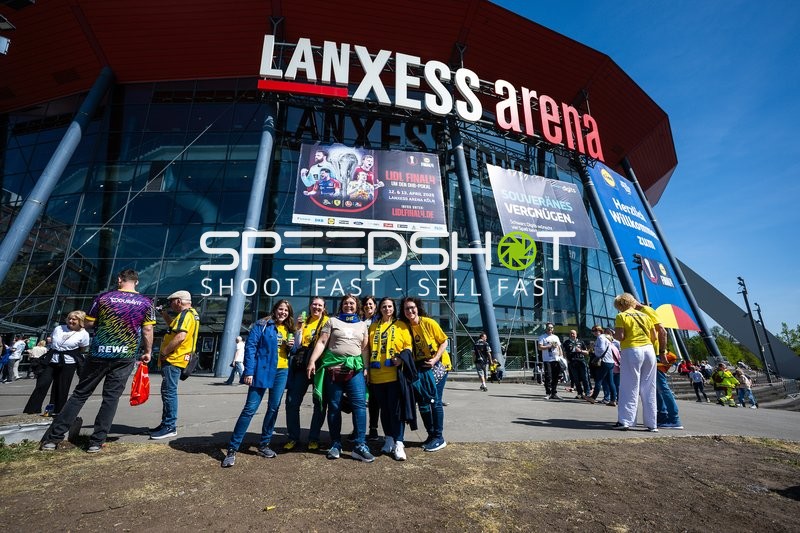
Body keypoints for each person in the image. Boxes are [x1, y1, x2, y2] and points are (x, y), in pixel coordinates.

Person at [41, 269, 155, 453]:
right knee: (111, 398)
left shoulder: (103, 298)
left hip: (99, 353)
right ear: (137, 282)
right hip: (124, 354)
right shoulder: (145, 302)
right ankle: (96, 442)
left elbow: (89, 323)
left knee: (80, 394)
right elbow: (148, 330)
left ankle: (52, 439)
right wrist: (148, 351)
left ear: (119, 279)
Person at [221, 300, 295, 468]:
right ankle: (232, 448)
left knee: (274, 408)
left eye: (286, 310)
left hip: (281, 372)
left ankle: (264, 445)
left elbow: (292, 351)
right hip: (262, 371)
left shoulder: (289, 328)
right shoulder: (262, 324)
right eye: (280, 309)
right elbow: (251, 348)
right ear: (275, 309)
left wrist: (291, 347)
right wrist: (248, 371)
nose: (283, 312)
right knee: (250, 409)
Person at [305, 294, 373, 462]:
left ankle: (360, 445)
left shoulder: (363, 325)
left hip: (355, 371)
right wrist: (312, 361)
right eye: (345, 303)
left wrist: (366, 368)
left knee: (359, 406)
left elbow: (364, 349)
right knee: (334, 406)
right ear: (341, 306)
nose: (348, 306)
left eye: (351, 303)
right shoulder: (332, 322)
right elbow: (321, 342)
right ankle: (335, 443)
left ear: (356, 306)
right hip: (333, 370)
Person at [401, 296, 449, 452]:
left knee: (435, 400)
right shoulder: (406, 327)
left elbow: (444, 341)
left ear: (417, 307)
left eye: (412, 307)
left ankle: (439, 437)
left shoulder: (429, 322)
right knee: (422, 403)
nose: (410, 311)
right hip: (420, 368)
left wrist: (435, 359)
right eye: (407, 308)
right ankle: (431, 434)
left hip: (438, 364)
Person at [368, 297, 413, 460]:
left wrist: (401, 359)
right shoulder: (373, 327)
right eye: (384, 306)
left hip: (394, 375)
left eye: (390, 306)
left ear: (394, 309)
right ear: (379, 309)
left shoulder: (401, 325)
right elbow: (368, 349)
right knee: (384, 410)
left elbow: (408, 347)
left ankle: (399, 442)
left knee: (396, 411)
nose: (387, 309)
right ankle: (388, 438)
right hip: (377, 376)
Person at [150, 290, 200, 440]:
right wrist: (164, 314)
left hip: (174, 359)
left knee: (169, 392)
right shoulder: (192, 314)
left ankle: (169, 426)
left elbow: (180, 336)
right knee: (168, 391)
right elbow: (174, 327)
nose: (171, 305)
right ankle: (166, 424)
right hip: (178, 358)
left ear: (179, 301)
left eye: (172, 302)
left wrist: (164, 352)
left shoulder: (185, 314)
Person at [283, 297, 329, 452]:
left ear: (324, 308)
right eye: (314, 304)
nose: (316, 307)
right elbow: (296, 346)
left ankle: (314, 438)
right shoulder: (303, 322)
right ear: (310, 306)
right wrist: (298, 329)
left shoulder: (329, 321)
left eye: (320, 305)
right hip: (302, 365)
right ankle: (293, 437)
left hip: (321, 366)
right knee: (292, 401)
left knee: (320, 403)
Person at [23, 311, 90, 416]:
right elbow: (53, 343)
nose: (71, 321)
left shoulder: (84, 334)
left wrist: (68, 352)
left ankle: (56, 410)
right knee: (42, 383)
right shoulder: (58, 328)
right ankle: (32, 409)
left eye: (74, 319)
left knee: (61, 387)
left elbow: (82, 348)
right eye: (69, 318)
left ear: (80, 321)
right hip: (52, 360)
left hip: (68, 362)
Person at [633, 300, 682, 430]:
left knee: (662, 387)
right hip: (651, 354)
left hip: (655, 355)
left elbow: (662, 331)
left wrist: (661, 352)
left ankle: (674, 418)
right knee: (655, 388)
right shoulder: (642, 312)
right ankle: (663, 414)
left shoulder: (647, 311)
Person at [612, 293, 658, 432]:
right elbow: (654, 336)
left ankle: (626, 421)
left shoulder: (622, 316)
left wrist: (611, 335)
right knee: (649, 387)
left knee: (629, 385)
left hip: (632, 350)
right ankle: (652, 424)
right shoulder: (645, 316)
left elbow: (620, 336)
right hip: (649, 350)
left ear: (620, 305)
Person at [360, 295, 382, 441]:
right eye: (366, 304)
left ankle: (373, 429)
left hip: (374, 363)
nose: (368, 306)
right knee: (359, 398)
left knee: (374, 399)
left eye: (371, 304)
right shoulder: (359, 322)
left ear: (375, 306)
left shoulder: (379, 322)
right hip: (359, 362)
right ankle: (358, 429)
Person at [586, 326, 618, 406]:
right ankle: (613, 399)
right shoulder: (606, 338)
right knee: (611, 382)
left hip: (604, 361)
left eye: (596, 330)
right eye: (593, 330)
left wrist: (595, 350)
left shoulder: (600, 338)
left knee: (599, 380)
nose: (594, 332)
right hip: (610, 361)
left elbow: (602, 349)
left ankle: (593, 397)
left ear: (600, 330)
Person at [538, 323, 562, 399]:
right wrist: (549, 346)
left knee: (555, 377)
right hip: (547, 359)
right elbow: (539, 347)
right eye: (548, 327)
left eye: (551, 327)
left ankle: (554, 393)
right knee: (548, 376)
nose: (550, 329)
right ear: (546, 328)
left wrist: (561, 356)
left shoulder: (556, 337)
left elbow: (559, 347)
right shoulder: (542, 337)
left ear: (553, 329)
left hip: (556, 359)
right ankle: (548, 393)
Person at [563, 329, 590, 398]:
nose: (572, 335)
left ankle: (587, 393)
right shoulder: (566, 342)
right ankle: (580, 393)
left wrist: (580, 351)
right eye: (571, 333)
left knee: (585, 378)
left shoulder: (581, 342)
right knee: (576, 379)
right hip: (572, 362)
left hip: (581, 361)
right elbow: (564, 352)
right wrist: (567, 360)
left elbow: (587, 352)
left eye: (573, 333)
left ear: (576, 334)